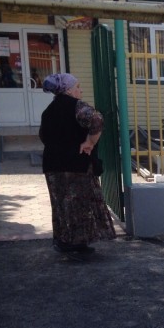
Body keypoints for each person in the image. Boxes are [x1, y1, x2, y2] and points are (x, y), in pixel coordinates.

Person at [39, 73, 116, 256]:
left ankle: (65, 241)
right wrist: (90, 142)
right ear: (68, 90)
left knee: (61, 205)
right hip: (76, 164)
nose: (80, 91)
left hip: (53, 165)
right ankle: (78, 243)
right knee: (79, 204)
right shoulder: (77, 106)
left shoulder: (48, 111)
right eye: (78, 87)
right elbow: (97, 119)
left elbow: (43, 136)